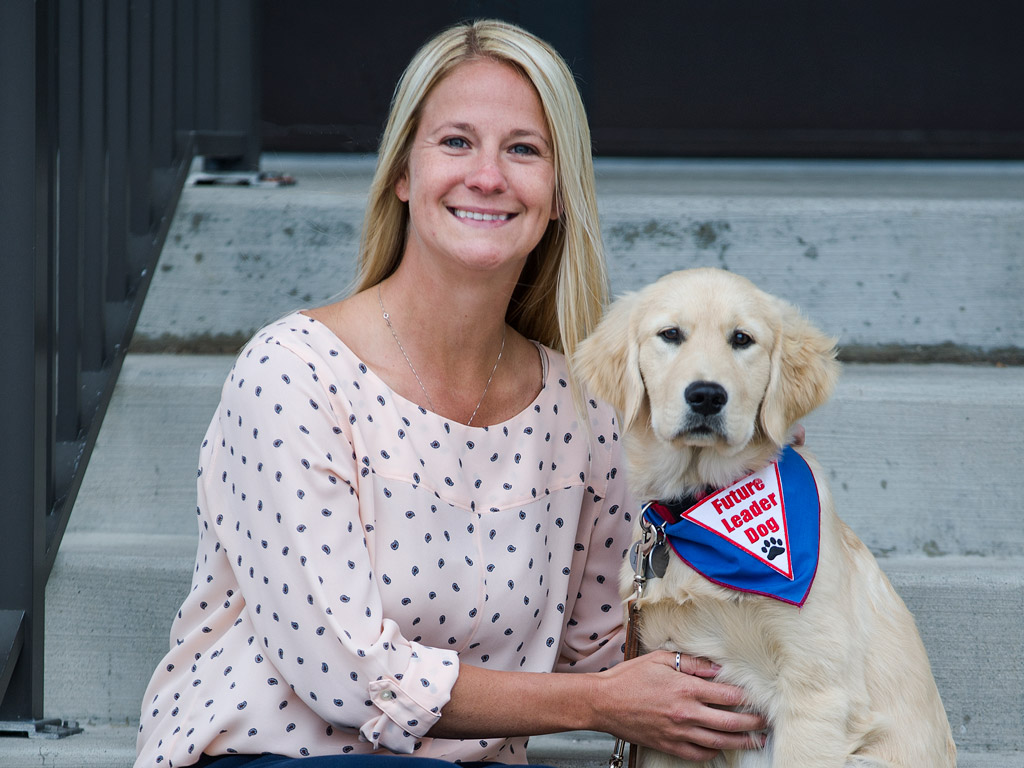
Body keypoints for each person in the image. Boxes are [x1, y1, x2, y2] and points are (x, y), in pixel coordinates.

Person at [134, 19, 765, 768]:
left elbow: (603, 652)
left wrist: (743, 511)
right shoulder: (294, 374)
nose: (488, 176)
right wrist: (598, 707)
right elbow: (348, 677)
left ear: (559, 193)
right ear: (403, 173)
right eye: (456, 142)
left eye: (523, 149)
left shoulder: (584, 408)